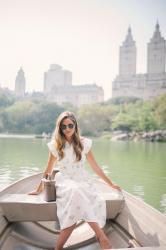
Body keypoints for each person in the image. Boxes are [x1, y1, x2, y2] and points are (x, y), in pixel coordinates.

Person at [29, 111, 121, 250]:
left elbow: (95, 167)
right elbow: (48, 170)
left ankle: (58, 247)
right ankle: (101, 236)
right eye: (63, 127)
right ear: (59, 128)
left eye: (70, 125)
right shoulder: (55, 145)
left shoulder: (84, 143)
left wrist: (110, 183)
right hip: (65, 180)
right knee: (75, 190)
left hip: (83, 179)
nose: (67, 129)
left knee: (80, 191)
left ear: (75, 126)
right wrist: (38, 189)